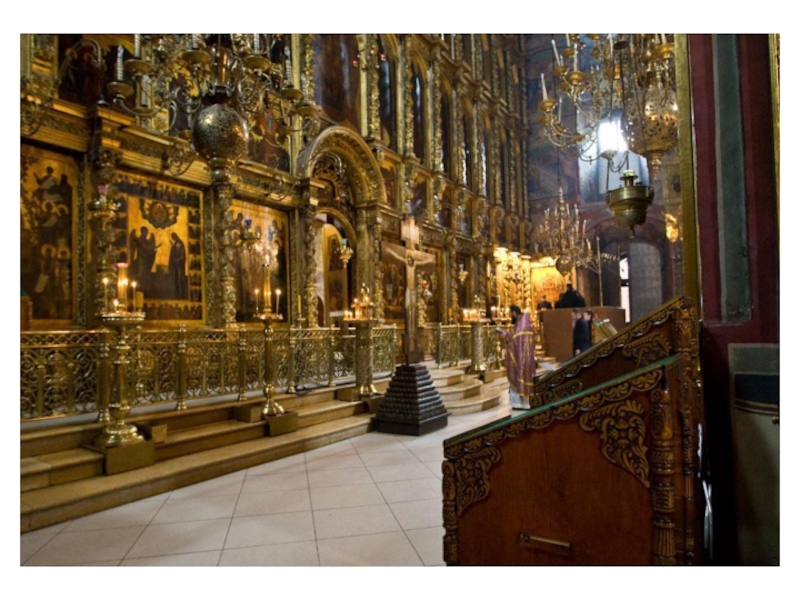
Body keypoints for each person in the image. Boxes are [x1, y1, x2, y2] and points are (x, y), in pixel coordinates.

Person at [496, 305, 536, 410]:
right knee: (524, 377)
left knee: (519, 376)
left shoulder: (520, 325)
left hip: (520, 358)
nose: (510, 316)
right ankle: (524, 402)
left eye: (510, 314)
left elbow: (513, 340)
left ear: (514, 313)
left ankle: (520, 403)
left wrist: (504, 335)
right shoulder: (525, 323)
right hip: (526, 357)